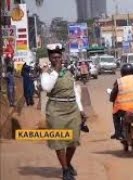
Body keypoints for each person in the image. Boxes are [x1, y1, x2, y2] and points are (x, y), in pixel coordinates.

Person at [40, 43, 85, 180]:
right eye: (54, 57)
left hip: (72, 109)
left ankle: (68, 162)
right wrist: (55, 71)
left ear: (62, 57)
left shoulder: (69, 72)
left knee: (73, 140)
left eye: (59, 57)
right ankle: (65, 170)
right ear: (50, 58)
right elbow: (47, 88)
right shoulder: (46, 73)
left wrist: (81, 109)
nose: (57, 60)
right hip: (55, 110)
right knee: (59, 141)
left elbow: (75, 92)